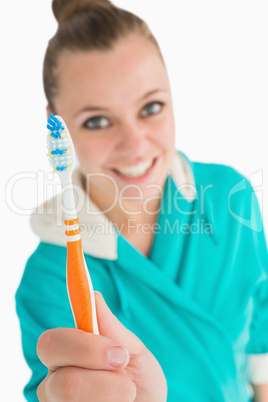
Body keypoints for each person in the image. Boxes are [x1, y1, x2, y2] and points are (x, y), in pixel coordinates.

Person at [15, 0, 268, 401]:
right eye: (97, 121)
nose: (134, 146)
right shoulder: (48, 282)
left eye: (151, 107)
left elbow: (262, 318)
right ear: (55, 123)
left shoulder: (229, 197)